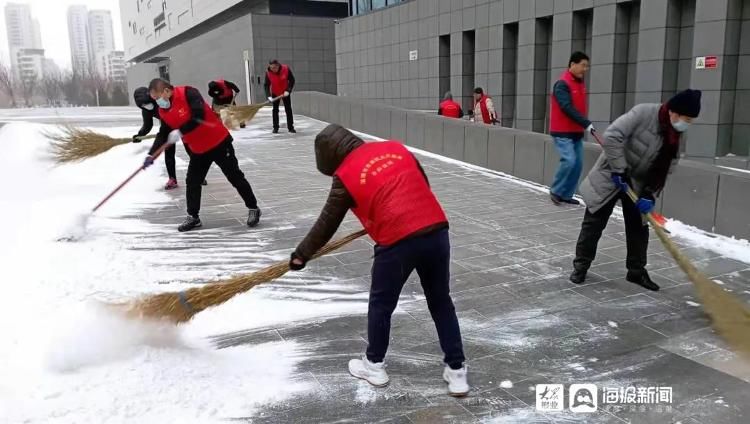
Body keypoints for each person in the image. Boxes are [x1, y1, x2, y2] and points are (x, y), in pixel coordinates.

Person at [288, 124, 469, 397]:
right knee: (441, 300)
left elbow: (326, 224)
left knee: (381, 305)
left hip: (397, 241)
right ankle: (457, 371)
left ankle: (374, 365)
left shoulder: (345, 175)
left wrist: (301, 254)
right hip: (435, 228)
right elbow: (422, 183)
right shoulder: (394, 147)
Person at [571, 89, 702, 291]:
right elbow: (613, 136)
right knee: (594, 223)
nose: (686, 124)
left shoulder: (675, 135)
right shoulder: (643, 113)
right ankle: (581, 266)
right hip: (611, 175)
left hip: (640, 183)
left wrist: (650, 193)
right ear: (674, 112)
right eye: (686, 119)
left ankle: (636, 272)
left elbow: (669, 166)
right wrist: (619, 169)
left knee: (639, 229)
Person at [145, 78, 262, 232]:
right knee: (193, 181)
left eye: (157, 97)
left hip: (219, 142)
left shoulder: (188, 92)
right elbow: (163, 134)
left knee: (234, 176)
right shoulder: (163, 111)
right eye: (154, 99)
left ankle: (253, 207)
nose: (157, 102)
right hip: (199, 149)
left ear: (166, 91)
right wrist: (151, 155)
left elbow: (198, 116)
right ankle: (193, 216)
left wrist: (180, 131)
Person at [549, 51, 594, 206]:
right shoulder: (562, 84)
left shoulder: (579, 83)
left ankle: (566, 194)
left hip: (576, 131)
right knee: (569, 160)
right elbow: (566, 107)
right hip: (562, 131)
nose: (585, 69)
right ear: (572, 64)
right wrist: (585, 122)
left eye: (587, 66)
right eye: (583, 65)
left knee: (578, 164)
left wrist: (583, 124)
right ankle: (556, 190)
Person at [132, 87, 178, 190]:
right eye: (143, 106)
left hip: (181, 122)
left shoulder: (161, 101)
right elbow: (148, 125)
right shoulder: (146, 110)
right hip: (166, 127)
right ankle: (172, 179)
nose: (146, 106)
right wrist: (140, 135)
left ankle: (199, 176)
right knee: (169, 152)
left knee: (191, 150)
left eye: (146, 103)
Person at [264, 59, 296, 134]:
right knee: (275, 110)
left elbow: (292, 80)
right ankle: (275, 127)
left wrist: (288, 90)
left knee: (288, 109)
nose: (273, 69)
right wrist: (268, 96)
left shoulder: (286, 69)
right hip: (275, 92)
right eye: (271, 68)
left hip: (285, 92)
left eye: (274, 67)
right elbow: (266, 85)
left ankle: (291, 127)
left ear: (278, 66)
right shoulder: (268, 73)